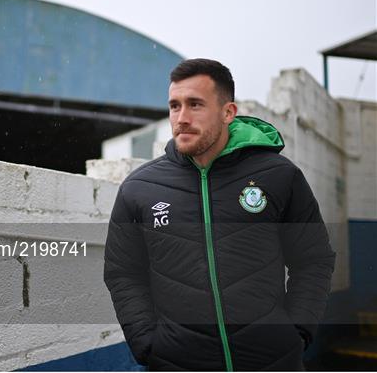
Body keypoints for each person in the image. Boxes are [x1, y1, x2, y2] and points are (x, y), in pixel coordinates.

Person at [103, 58, 336, 371]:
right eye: (174, 106)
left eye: (195, 104)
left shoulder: (279, 176)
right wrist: (146, 342)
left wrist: (296, 331)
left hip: (273, 362)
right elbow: (123, 272)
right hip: (177, 363)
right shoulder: (139, 188)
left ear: (228, 112)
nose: (181, 118)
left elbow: (313, 258)